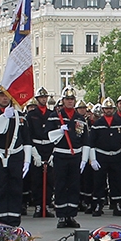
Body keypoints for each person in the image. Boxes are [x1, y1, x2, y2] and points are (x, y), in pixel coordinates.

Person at [0, 88, 31, 226]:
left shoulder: (20, 116)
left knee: (15, 188)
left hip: (15, 155)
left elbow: (26, 139)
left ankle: (14, 221)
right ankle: (0, 221)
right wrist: (4, 117)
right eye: (1, 96)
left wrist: (27, 160)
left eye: (7, 96)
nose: (4, 98)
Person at [46, 88, 89, 228]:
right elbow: (48, 135)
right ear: (63, 101)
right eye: (67, 99)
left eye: (72, 99)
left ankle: (71, 215)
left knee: (74, 186)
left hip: (75, 155)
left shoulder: (80, 118)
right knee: (60, 185)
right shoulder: (54, 116)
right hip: (60, 155)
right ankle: (61, 216)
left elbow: (85, 139)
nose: (70, 102)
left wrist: (84, 159)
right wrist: (59, 130)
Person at [87, 97, 121, 216]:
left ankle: (117, 204)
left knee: (117, 181)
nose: (108, 110)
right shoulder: (97, 124)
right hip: (101, 156)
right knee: (99, 182)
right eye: (106, 108)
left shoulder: (120, 123)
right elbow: (91, 143)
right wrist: (92, 159)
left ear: (113, 109)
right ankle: (98, 204)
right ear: (103, 110)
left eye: (110, 108)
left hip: (116, 156)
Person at [25, 88, 54, 218]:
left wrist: (53, 152)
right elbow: (28, 135)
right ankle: (38, 205)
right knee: (36, 179)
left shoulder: (52, 114)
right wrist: (32, 151)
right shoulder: (31, 116)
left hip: (48, 147)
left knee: (49, 180)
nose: (43, 99)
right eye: (41, 98)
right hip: (36, 147)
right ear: (37, 100)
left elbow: (56, 134)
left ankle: (46, 204)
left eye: (45, 97)